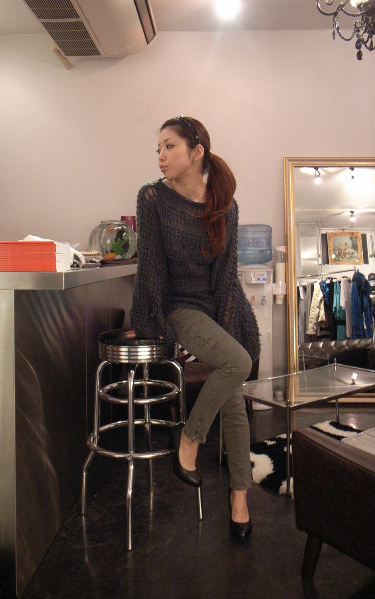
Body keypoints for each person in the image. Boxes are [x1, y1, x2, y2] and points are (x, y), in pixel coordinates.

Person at [130, 116, 260, 540]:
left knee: (233, 388)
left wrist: (227, 325)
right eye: (159, 149)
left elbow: (226, 276)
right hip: (177, 307)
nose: (161, 156)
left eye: (169, 146)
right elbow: (151, 268)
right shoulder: (153, 198)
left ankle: (239, 496)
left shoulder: (225, 205)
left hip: (213, 307)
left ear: (196, 151)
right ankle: (190, 439)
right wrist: (154, 327)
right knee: (238, 363)